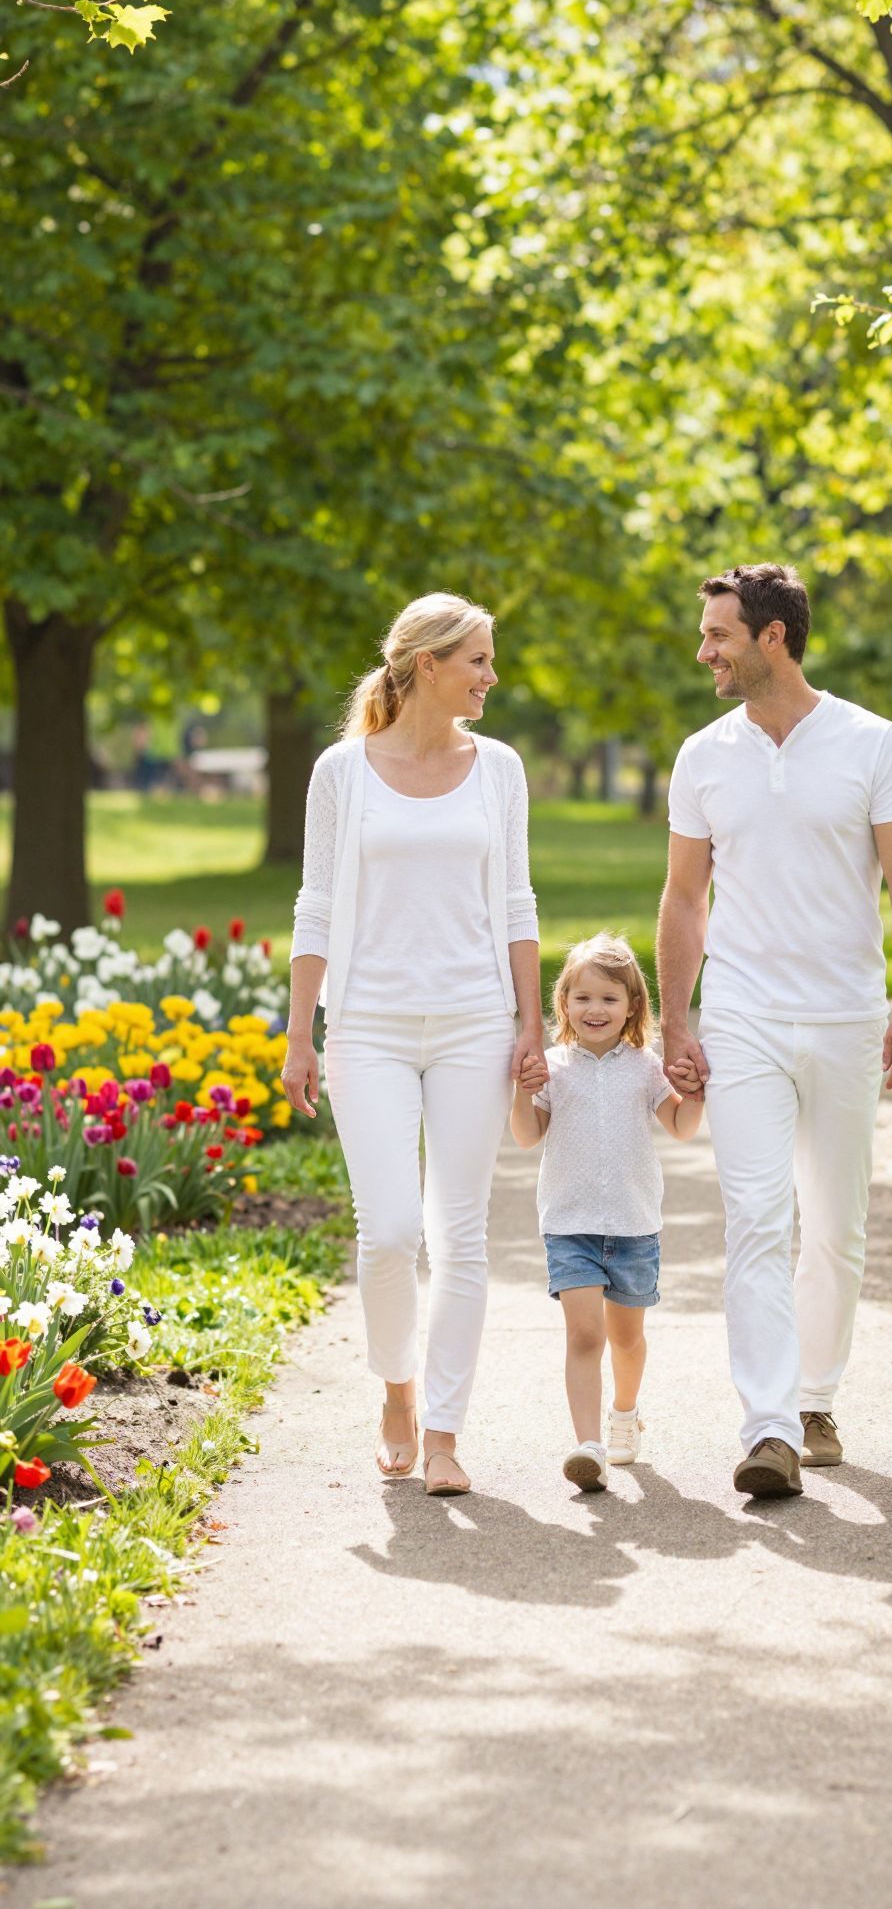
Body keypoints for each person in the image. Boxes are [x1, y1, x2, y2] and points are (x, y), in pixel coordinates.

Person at [657, 563, 892, 1500]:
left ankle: (817, 1396)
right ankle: (770, 1426)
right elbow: (684, 899)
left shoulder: (870, 743)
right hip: (742, 1017)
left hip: (849, 1014)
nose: (705, 652)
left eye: (719, 636)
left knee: (837, 1225)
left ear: (772, 636)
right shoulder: (703, 756)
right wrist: (676, 1021)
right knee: (756, 1219)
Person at [282, 592, 543, 1498]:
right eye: (478, 659)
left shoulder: (499, 768)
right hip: (370, 1026)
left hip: (474, 1022)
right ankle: (395, 1387)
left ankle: (442, 1432)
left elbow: (516, 901)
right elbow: (314, 904)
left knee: (459, 1236)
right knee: (391, 1231)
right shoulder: (341, 773)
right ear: (427, 665)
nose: (491, 676)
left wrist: (530, 1025)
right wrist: (299, 1035)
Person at [511, 933, 704, 1492]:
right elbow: (527, 1136)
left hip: (633, 1225)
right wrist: (522, 1091)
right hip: (569, 1224)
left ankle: (624, 1413)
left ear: (633, 1007)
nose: (595, 1009)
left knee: (626, 1339)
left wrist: (693, 1091)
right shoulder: (552, 1067)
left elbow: (682, 1128)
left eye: (609, 999)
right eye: (583, 998)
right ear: (564, 1004)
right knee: (585, 1335)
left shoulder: (646, 1067)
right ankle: (588, 1445)